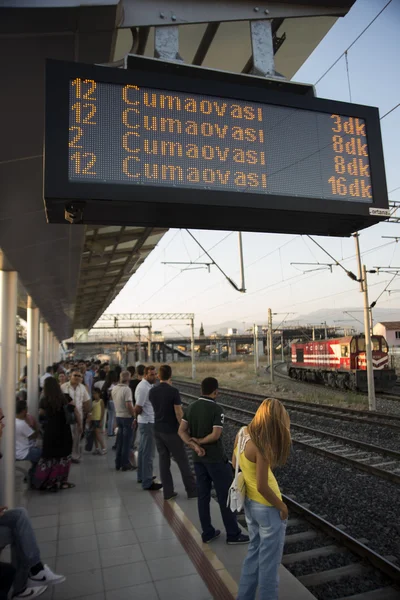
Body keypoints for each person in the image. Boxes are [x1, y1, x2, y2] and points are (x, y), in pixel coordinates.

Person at [0, 407, 66, 598]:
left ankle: (34, 571)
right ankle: (24, 581)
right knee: (17, 530)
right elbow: (36, 433)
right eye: (1, 419)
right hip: (24, 456)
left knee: (20, 514)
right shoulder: (21, 425)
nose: (4, 423)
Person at [179, 377, 249, 545]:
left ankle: (207, 532)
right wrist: (201, 442)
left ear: (201, 389)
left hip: (198, 460)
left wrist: (194, 445)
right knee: (225, 496)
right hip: (216, 459)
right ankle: (233, 534)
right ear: (216, 391)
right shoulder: (217, 409)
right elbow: (215, 435)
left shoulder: (191, 408)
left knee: (203, 496)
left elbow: (181, 431)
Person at [235, 399, 291, 600]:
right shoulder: (262, 444)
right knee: (269, 567)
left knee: (253, 555)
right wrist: (282, 506)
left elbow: (235, 463)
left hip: (250, 505)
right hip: (267, 508)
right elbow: (262, 485)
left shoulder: (242, 433)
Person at [149, 365, 197, 501]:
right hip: (171, 431)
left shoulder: (152, 391)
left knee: (163, 461)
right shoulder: (173, 391)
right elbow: (178, 412)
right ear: (170, 375)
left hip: (157, 429)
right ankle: (192, 490)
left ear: (159, 376)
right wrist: (184, 429)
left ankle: (168, 492)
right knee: (182, 460)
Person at [33, 378, 79, 491]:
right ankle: (62, 482)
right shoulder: (65, 398)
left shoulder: (44, 400)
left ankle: (48, 483)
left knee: (50, 457)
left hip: (51, 432)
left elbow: (41, 413)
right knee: (63, 458)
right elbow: (75, 412)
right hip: (64, 431)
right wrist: (80, 426)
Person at [134, 366, 162, 491]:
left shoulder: (148, 386)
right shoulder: (144, 387)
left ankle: (142, 476)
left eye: (155, 374)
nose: (154, 376)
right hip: (147, 422)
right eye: (151, 374)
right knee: (148, 453)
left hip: (146, 421)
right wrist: (136, 418)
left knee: (143, 451)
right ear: (145, 375)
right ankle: (147, 481)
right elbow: (138, 407)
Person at [60, 370, 90, 463]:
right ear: (70, 376)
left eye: (79, 376)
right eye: (75, 375)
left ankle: (75, 456)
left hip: (79, 415)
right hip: (66, 415)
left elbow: (86, 401)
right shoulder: (63, 387)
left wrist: (87, 413)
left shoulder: (83, 388)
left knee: (77, 436)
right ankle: (66, 455)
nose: (77, 377)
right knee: (67, 435)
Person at [15, 398, 41, 486]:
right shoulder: (22, 424)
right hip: (23, 452)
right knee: (43, 455)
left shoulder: (12, 421)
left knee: (36, 454)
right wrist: (35, 425)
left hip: (16, 451)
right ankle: (32, 477)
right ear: (23, 411)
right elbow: (34, 435)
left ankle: (31, 475)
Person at [112, 371, 135, 470]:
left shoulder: (115, 388)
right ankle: (125, 463)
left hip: (118, 416)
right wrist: (134, 415)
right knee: (127, 442)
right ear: (128, 378)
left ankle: (118, 462)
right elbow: (128, 405)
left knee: (120, 441)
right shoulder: (127, 389)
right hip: (127, 417)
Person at [89, 388, 106, 455]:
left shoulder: (101, 401)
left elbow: (103, 411)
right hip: (93, 419)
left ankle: (103, 448)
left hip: (98, 419)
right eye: (93, 393)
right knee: (94, 435)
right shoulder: (93, 402)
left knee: (98, 435)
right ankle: (96, 448)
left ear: (99, 393)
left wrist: (101, 420)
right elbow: (91, 411)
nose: (94, 395)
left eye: (95, 393)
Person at [102, 371, 118, 438]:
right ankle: (111, 432)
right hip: (112, 402)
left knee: (110, 417)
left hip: (108, 402)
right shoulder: (113, 385)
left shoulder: (106, 384)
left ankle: (109, 431)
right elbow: (112, 395)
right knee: (112, 417)